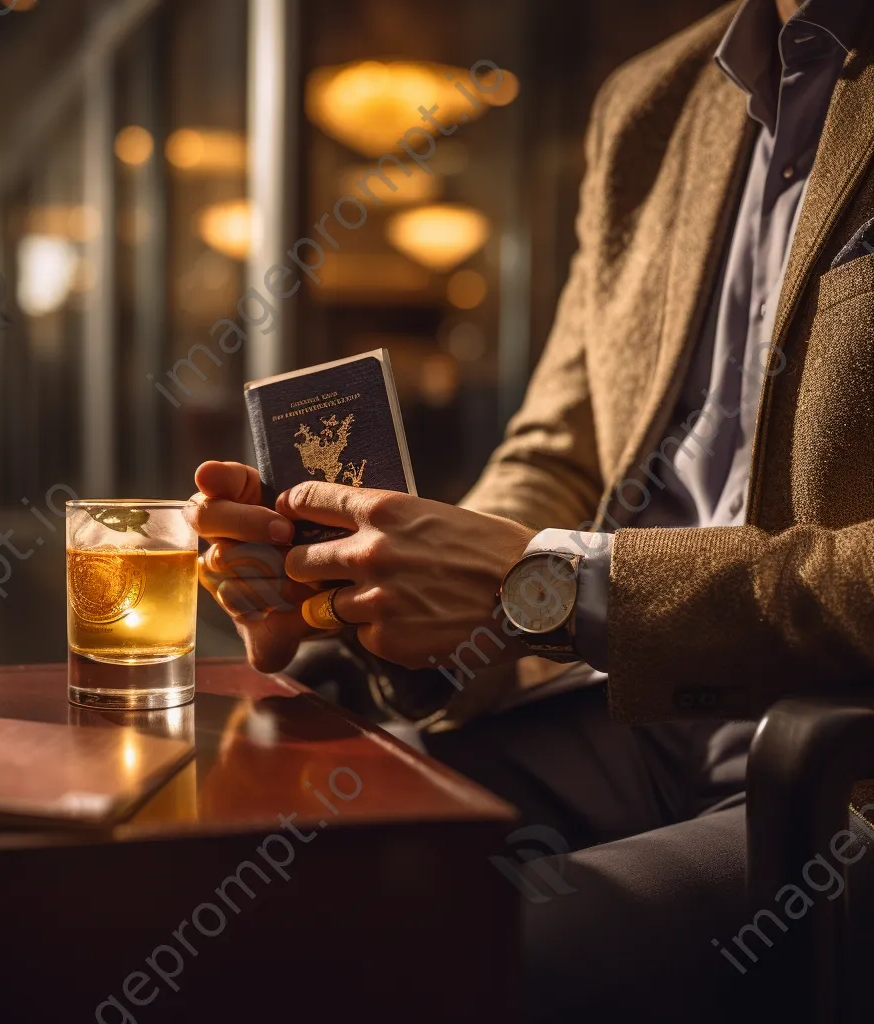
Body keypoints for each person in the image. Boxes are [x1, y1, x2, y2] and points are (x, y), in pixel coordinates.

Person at [186, 0, 874, 1016]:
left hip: (836, 758)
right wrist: (364, 583)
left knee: (448, 965)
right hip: (608, 708)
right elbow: (556, 451)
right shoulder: (647, 102)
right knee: (230, 896)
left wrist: (545, 587)